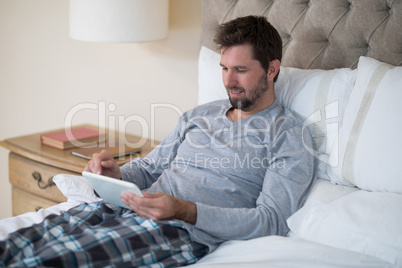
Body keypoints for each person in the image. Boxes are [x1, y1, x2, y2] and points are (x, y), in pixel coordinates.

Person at [0, 16, 315, 267]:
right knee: (15, 246)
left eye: (241, 70)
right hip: (122, 209)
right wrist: (118, 174)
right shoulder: (199, 115)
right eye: (223, 69)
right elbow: (151, 166)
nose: (228, 82)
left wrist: (183, 211)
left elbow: (270, 221)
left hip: (177, 231)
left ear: (272, 69)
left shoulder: (288, 136)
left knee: (49, 260)